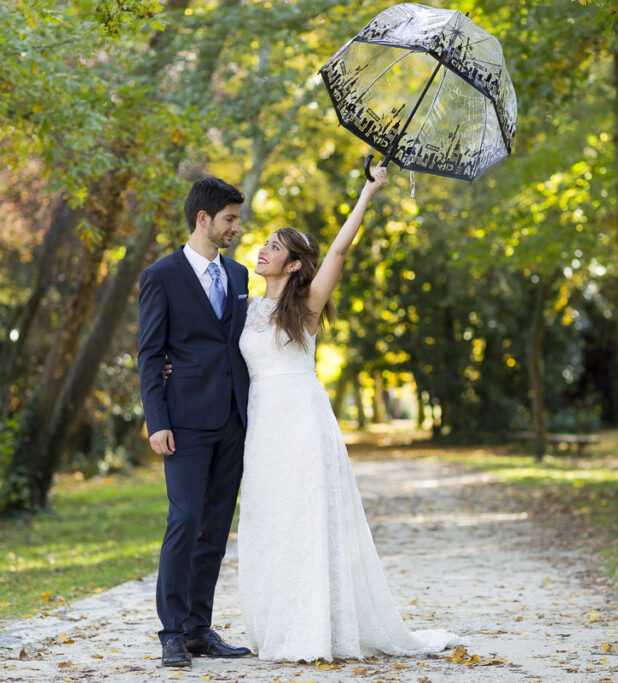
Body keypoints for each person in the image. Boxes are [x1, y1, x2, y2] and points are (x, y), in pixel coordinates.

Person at [235, 166, 460, 661]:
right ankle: (277, 626)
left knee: (308, 522)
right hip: (263, 429)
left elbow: (337, 251)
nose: (264, 250)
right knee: (271, 523)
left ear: (293, 265)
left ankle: (315, 630)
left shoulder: (307, 308)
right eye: (265, 244)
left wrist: (368, 190)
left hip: (303, 424)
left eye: (275, 247)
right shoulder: (245, 307)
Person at [137, 176, 254, 668]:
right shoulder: (160, 275)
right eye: (230, 219)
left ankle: (199, 629)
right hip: (183, 421)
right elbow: (149, 354)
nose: (237, 228)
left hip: (234, 418)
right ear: (203, 219)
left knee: (215, 527)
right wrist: (155, 419)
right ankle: (171, 631)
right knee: (184, 520)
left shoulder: (242, 275)